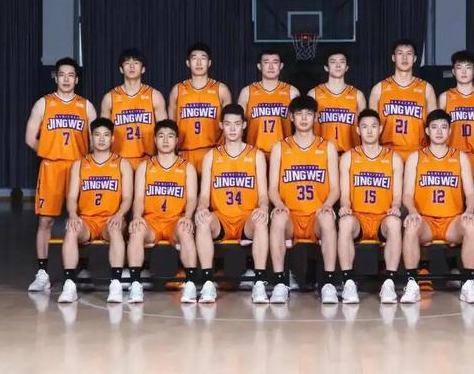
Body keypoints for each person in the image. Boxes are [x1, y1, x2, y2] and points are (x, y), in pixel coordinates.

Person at [25, 57, 96, 291]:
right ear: (56, 77)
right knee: (45, 220)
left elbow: (96, 141)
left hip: (78, 169)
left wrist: (86, 161)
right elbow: (30, 138)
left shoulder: (86, 106)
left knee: (82, 219)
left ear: (77, 79)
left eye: (71, 75)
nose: (66, 79)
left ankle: (82, 267)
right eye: (62, 75)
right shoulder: (43, 104)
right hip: (52, 168)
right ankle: (42, 273)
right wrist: (49, 153)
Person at [402, 109, 474, 304]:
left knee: (471, 225)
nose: (439, 131)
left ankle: (468, 284)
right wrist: (412, 211)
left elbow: (471, 193)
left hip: (452, 222)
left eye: (444, 127)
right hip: (426, 221)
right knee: (411, 226)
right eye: (435, 127)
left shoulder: (460, 157)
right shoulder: (415, 157)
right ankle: (412, 284)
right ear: (427, 131)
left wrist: (469, 210)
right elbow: (407, 194)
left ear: (449, 131)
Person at [194, 104, 270, 303]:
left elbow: (263, 194)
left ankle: (259, 283)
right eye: (228, 124)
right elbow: (204, 195)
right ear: (221, 125)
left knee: (261, 221)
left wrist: (263, 207)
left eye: (237, 124)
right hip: (221, 218)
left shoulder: (256, 155)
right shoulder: (211, 156)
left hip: (246, 219)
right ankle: (208, 283)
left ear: (244, 125)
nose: (233, 129)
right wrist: (201, 208)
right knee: (202, 221)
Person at [268, 96, 340, 304]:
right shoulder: (280, 148)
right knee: (278, 219)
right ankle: (280, 284)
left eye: (308, 114)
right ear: (291, 117)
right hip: (291, 216)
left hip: (315, 216)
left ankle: (328, 284)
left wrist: (327, 205)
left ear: (315, 117)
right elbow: (272, 188)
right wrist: (279, 205)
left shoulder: (327, 147)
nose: (304, 118)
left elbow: (335, 188)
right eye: (299, 114)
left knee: (328, 219)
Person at [57, 118, 134, 303]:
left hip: (111, 219)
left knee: (115, 229)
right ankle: (69, 284)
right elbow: (72, 197)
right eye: (97, 135)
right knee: (71, 229)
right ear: (91, 138)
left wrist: (120, 215)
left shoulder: (122, 164)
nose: (101, 139)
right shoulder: (80, 164)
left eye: (106, 135)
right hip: (87, 221)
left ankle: (116, 283)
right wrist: (73, 215)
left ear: (112, 139)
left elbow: (127, 198)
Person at [439, 50, 474, 288]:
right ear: (453, 71)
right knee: (452, 210)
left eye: (468, 67)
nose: (463, 72)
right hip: (452, 160)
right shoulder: (445, 97)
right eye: (459, 67)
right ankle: (453, 266)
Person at [126, 120, 198, 303]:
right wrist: (137, 217)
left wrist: (188, 217)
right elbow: (139, 198)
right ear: (155, 140)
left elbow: (191, 199)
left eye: (170, 136)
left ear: (177, 140)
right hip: (152, 222)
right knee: (136, 230)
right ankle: (135, 284)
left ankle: (190, 284)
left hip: (175, 221)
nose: (165, 140)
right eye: (161, 136)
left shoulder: (187, 167)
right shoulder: (145, 167)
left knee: (185, 229)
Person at [337, 109, 404, 303]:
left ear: (380, 129)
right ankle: (349, 283)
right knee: (345, 222)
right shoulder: (349, 157)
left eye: (373, 126)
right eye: (365, 127)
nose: (369, 131)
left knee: (394, 222)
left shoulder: (393, 158)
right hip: (358, 218)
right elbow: (345, 194)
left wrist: (396, 206)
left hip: (382, 218)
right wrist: (344, 206)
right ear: (358, 130)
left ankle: (389, 283)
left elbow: (397, 196)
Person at [369, 39, 437, 162]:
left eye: (409, 54)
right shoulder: (379, 89)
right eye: (400, 53)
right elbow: (370, 126)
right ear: (393, 57)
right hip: (387, 152)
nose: (404, 58)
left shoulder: (426, 89)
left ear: (415, 58)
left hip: (419, 152)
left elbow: (434, 126)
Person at [168, 42, 232, 173]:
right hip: (184, 153)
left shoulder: (221, 90)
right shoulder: (177, 90)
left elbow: (231, 124)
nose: (198, 63)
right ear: (188, 63)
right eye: (194, 58)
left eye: (203, 58)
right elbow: (170, 127)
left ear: (209, 63)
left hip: (214, 152)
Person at [100, 48, 167, 170]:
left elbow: (165, 131)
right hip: (118, 161)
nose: (131, 66)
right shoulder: (109, 98)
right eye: (127, 63)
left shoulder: (155, 96)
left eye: (136, 63)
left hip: (148, 160)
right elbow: (102, 133)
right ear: (121, 69)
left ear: (143, 69)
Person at [237, 50, 300, 158]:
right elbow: (237, 124)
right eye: (266, 62)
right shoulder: (247, 92)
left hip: (285, 154)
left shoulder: (292, 92)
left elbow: (301, 126)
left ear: (281, 66)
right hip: (253, 154)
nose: (271, 67)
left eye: (275, 62)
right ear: (259, 66)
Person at [308, 50, 366, 154]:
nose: (338, 65)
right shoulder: (314, 94)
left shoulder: (358, 95)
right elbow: (306, 128)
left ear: (347, 67)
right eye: (333, 62)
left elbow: (365, 128)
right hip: (321, 154)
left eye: (342, 62)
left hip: (351, 155)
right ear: (326, 67)